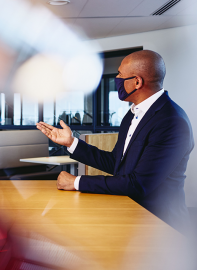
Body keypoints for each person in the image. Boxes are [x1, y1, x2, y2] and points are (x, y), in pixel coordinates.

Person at [36, 50, 194, 234]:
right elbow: (117, 164)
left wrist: (77, 182)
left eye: (120, 74)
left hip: (161, 227)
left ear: (137, 81)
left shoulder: (172, 121)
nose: (116, 79)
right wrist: (71, 143)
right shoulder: (132, 115)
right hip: (131, 217)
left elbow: (138, 184)